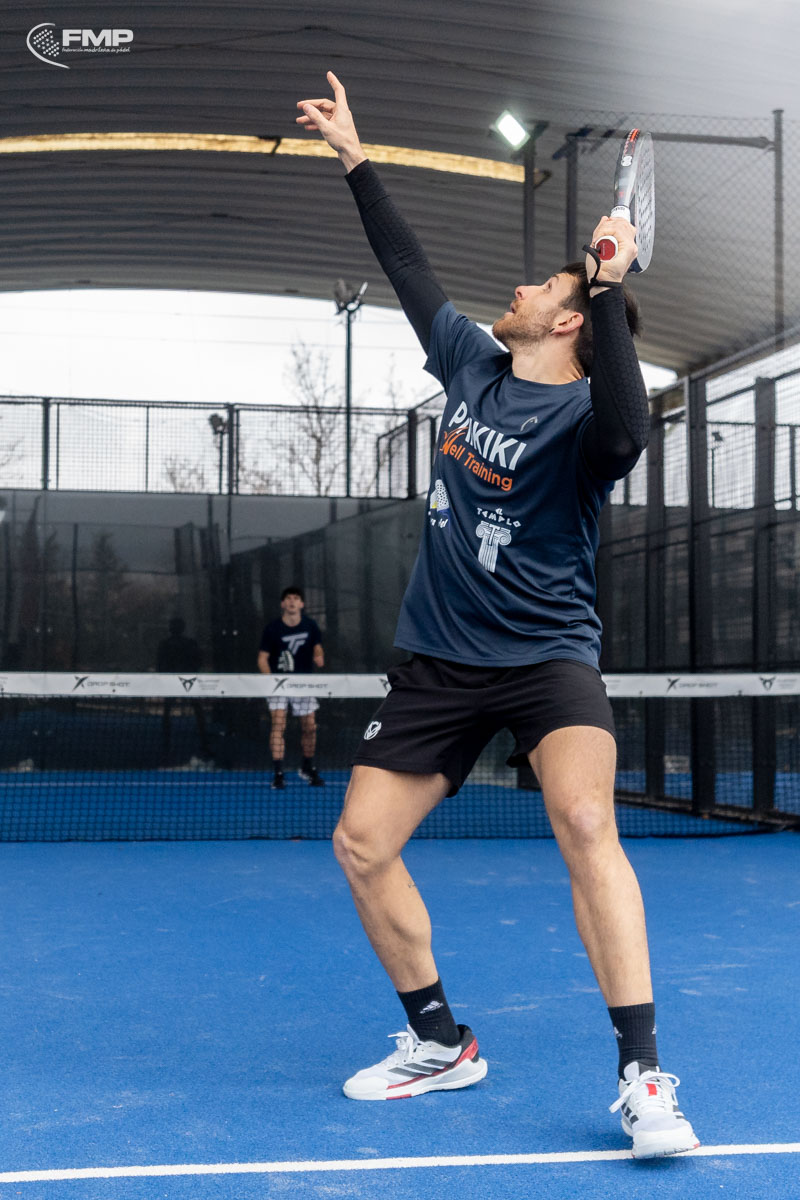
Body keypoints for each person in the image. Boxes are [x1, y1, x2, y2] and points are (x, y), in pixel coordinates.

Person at [295, 73, 698, 1160]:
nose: (515, 288)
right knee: (359, 842)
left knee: (584, 822)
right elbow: (407, 265)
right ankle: (440, 1041)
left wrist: (607, 286)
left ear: (565, 321)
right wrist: (355, 156)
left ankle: (643, 1077)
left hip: (546, 658)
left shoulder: (587, 418)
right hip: (437, 661)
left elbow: (628, 430)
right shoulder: (473, 366)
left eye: (540, 286)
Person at [257, 586, 325, 789]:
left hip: (303, 683)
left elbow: (318, 648)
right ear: (283, 603)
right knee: (279, 724)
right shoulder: (272, 629)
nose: (292, 601)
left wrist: (319, 655)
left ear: (301, 604)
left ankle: (307, 766)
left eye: (296, 598)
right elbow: (262, 659)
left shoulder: (311, 626)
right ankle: (278, 773)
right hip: (279, 684)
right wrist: (271, 681)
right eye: (288, 598)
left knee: (310, 727)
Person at [156, 617, 212, 766]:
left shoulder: (184, 644)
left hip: (187, 682)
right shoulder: (169, 644)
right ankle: (169, 742)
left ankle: (203, 741)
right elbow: (161, 664)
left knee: (195, 709)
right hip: (176, 682)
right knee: (172, 711)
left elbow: (197, 661)